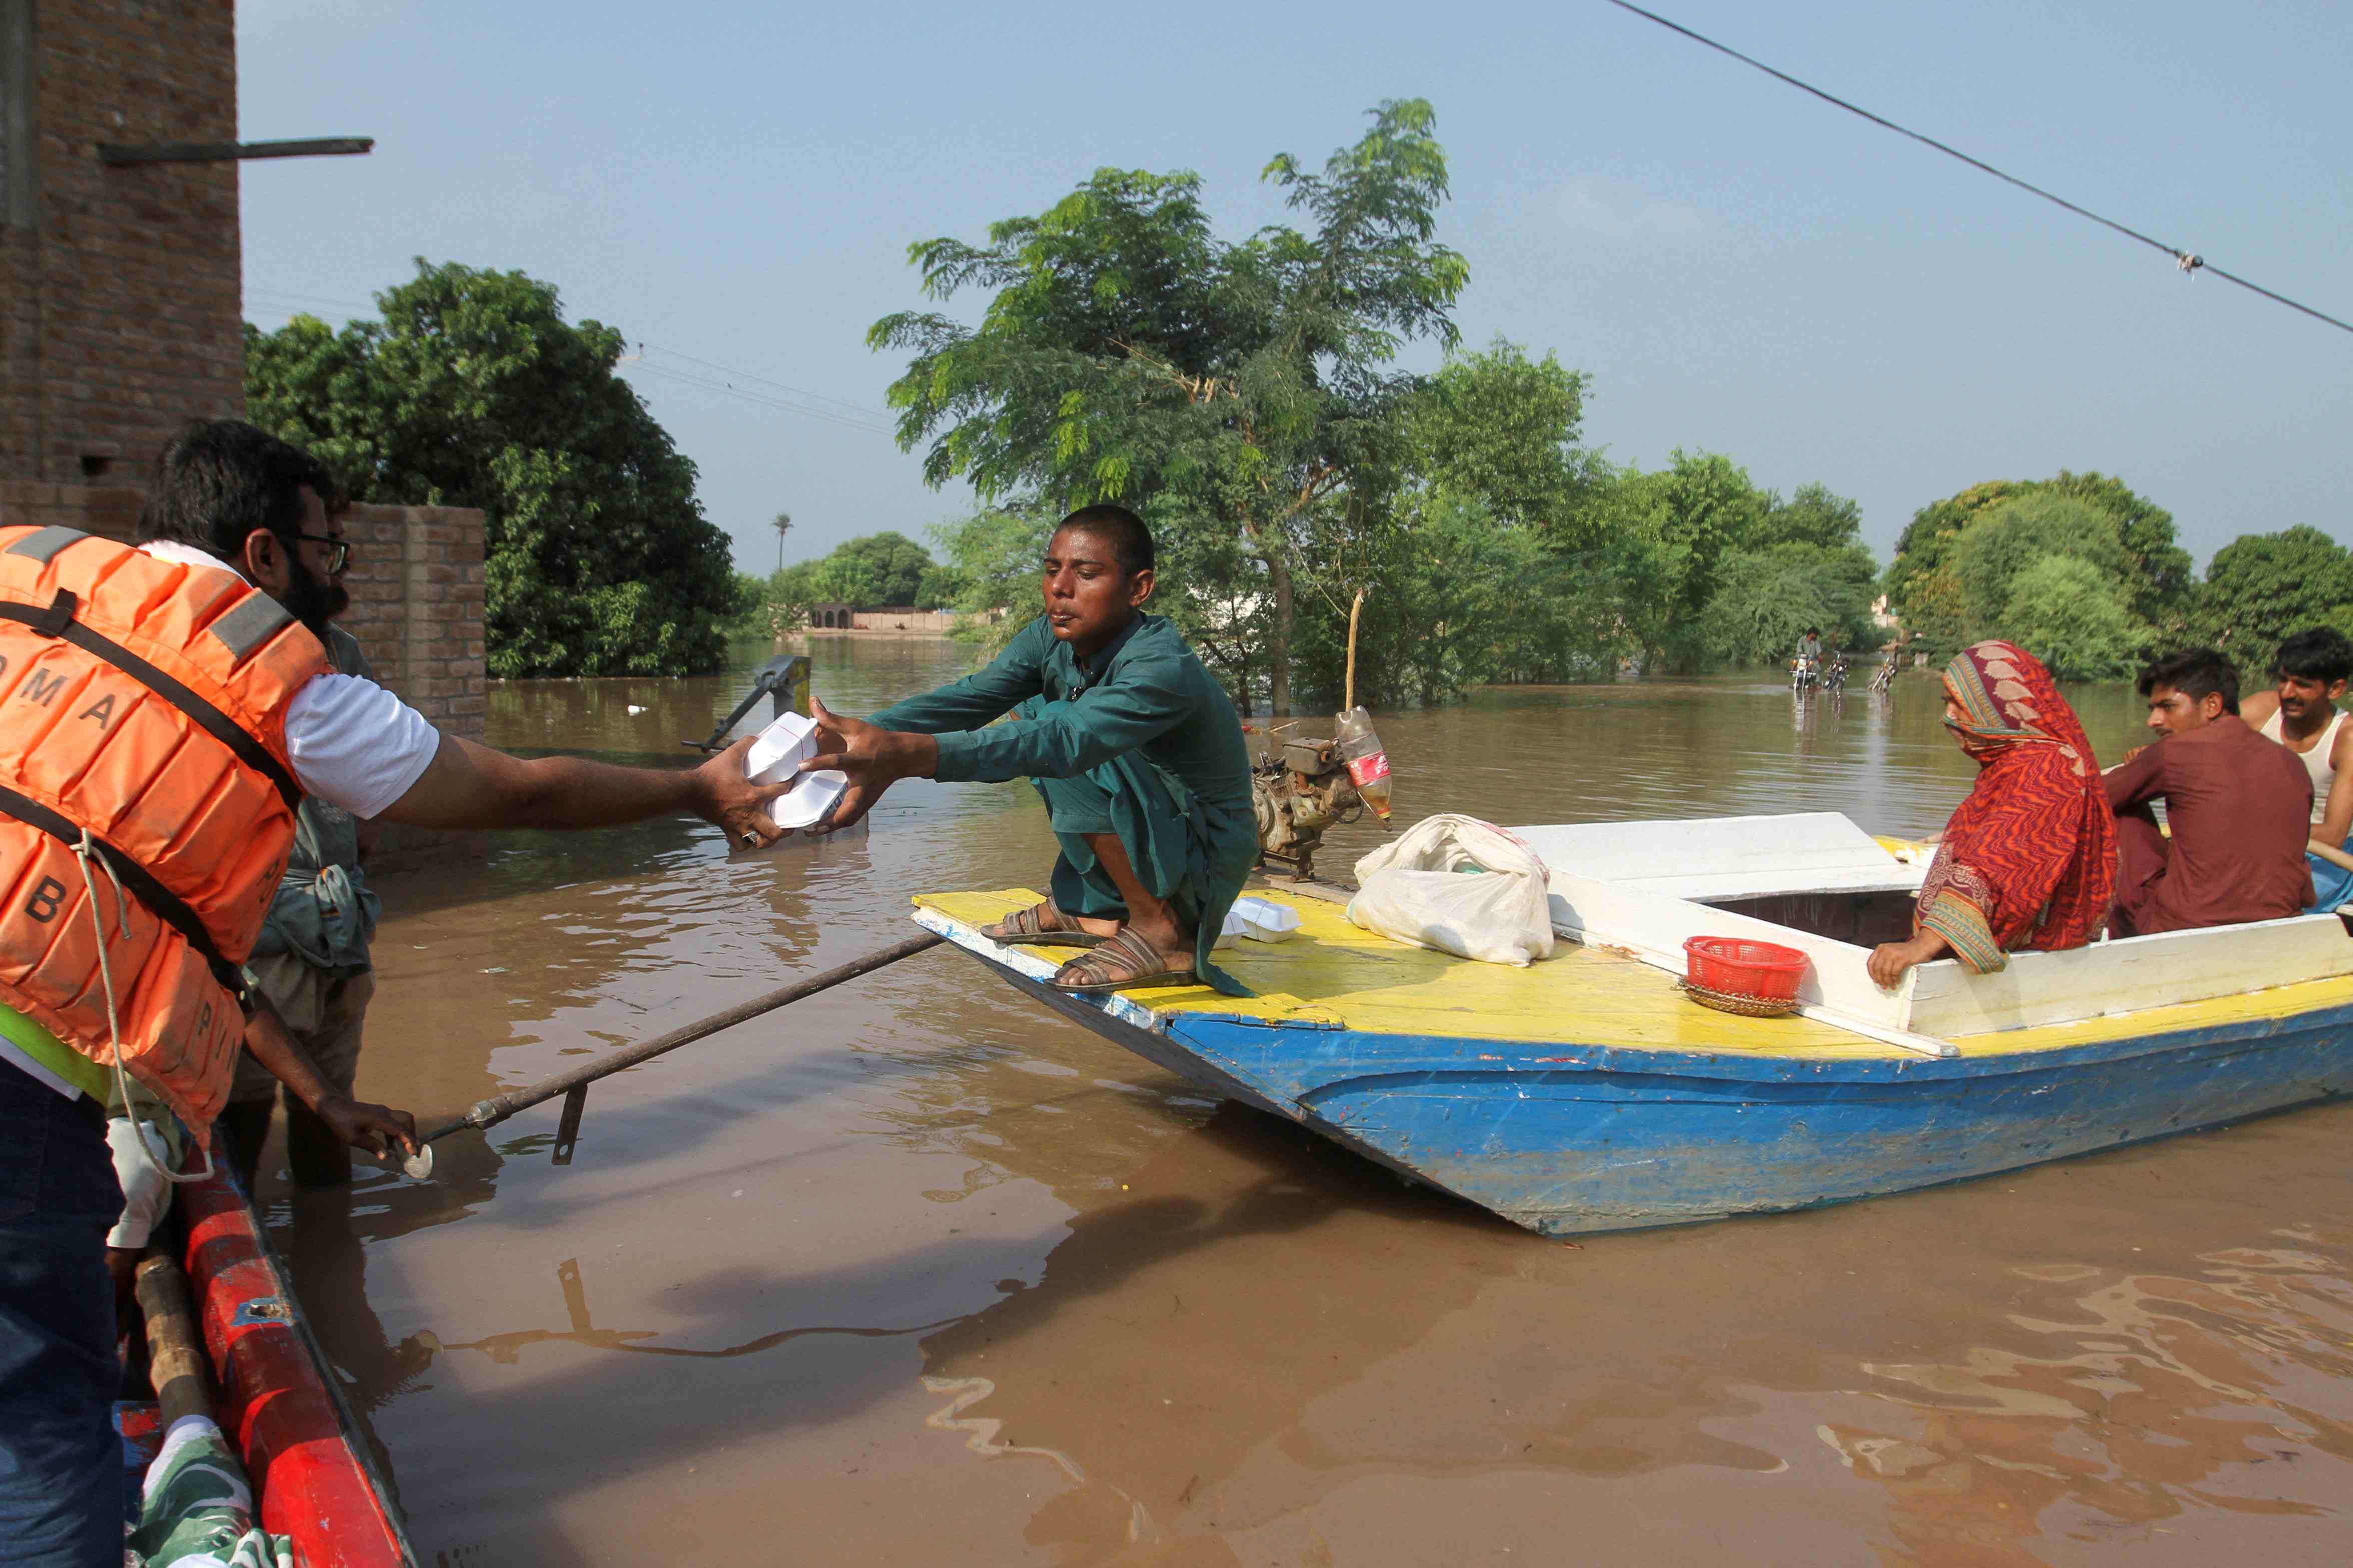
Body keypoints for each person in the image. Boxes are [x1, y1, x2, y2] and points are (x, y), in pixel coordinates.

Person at [0, 420, 792, 1568]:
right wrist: (697, 788)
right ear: (266, 552)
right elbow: (514, 793)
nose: (343, 576)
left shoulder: (23, 570)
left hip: (120, 1047)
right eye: (331, 549)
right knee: (39, 1420)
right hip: (26, 1088)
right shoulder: (276, 671)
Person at [799, 504, 1256, 995]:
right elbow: (969, 699)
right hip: (1160, 830)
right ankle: (1093, 908)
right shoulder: (1051, 639)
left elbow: (1064, 742)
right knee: (1035, 707)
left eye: (1086, 574)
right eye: (1051, 570)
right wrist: (847, 739)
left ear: (1138, 588)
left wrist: (902, 756)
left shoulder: (1159, 665)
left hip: (1205, 852)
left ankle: (1162, 931)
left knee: (1057, 729)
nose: (1060, 588)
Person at [219, 601, 386, 1189]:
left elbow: (375, 786)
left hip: (337, 928)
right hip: (257, 935)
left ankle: (330, 1257)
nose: (338, 574)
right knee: (241, 1113)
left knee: (333, 1110)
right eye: (323, 550)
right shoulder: (213, 653)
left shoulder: (341, 652)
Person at [1868, 642, 2116, 986]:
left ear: (1999, 705)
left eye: (1960, 703)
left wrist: (1922, 946)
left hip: (2034, 965)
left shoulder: (2048, 767)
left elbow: (1997, 861)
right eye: (1946, 702)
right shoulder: (2009, 764)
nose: (1949, 716)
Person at [2102, 648, 2313, 938]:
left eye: (2168, 707)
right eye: (2153, 709)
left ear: (2213, 704)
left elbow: (2095, 796)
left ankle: (2125, 943)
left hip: (2185, 926)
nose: (2154, 721)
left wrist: (2140, 766)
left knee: (2115, 807)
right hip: (2280, 919)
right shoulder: (2293, 762)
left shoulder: (2173, 753)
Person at [2238, 627, 2353, 912]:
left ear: (2336, 689)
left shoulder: (2348, 738)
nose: (2287, 693)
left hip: (2325, 857)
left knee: (2259, 902)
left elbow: (2334, 834)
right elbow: (2194, 742)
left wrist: (2249, 832)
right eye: (2283, 680)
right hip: (2253, 846)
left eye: (2302, 685)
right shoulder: (2262, 709)